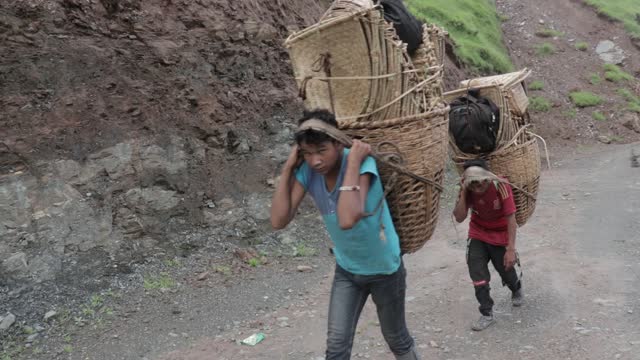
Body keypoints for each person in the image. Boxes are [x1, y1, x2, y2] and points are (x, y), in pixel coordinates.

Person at [271, 109, 421, 359]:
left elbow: (347, 218)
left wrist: (352, 163)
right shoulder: (308, 171)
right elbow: (278, 220)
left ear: (339, 144)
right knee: (337, 346)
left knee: (397, 339)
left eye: (321, 151)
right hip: (347, 270)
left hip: (384, 270)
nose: (314, 161)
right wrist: (288, 168)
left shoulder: (362, 163)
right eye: (306, 154)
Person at [452, 159, 523, 331]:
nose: (477, 186)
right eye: (472, 183)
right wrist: (463, 191)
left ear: (488, 178)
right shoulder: (468, 189)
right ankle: (486, 313)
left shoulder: (501, 186)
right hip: (478, 232)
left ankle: (516, 287)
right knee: (477, 274)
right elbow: (459, 217)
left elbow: (511, 219)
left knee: (506, 269)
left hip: (500, 233)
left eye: (480, 181)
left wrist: (510, 249)